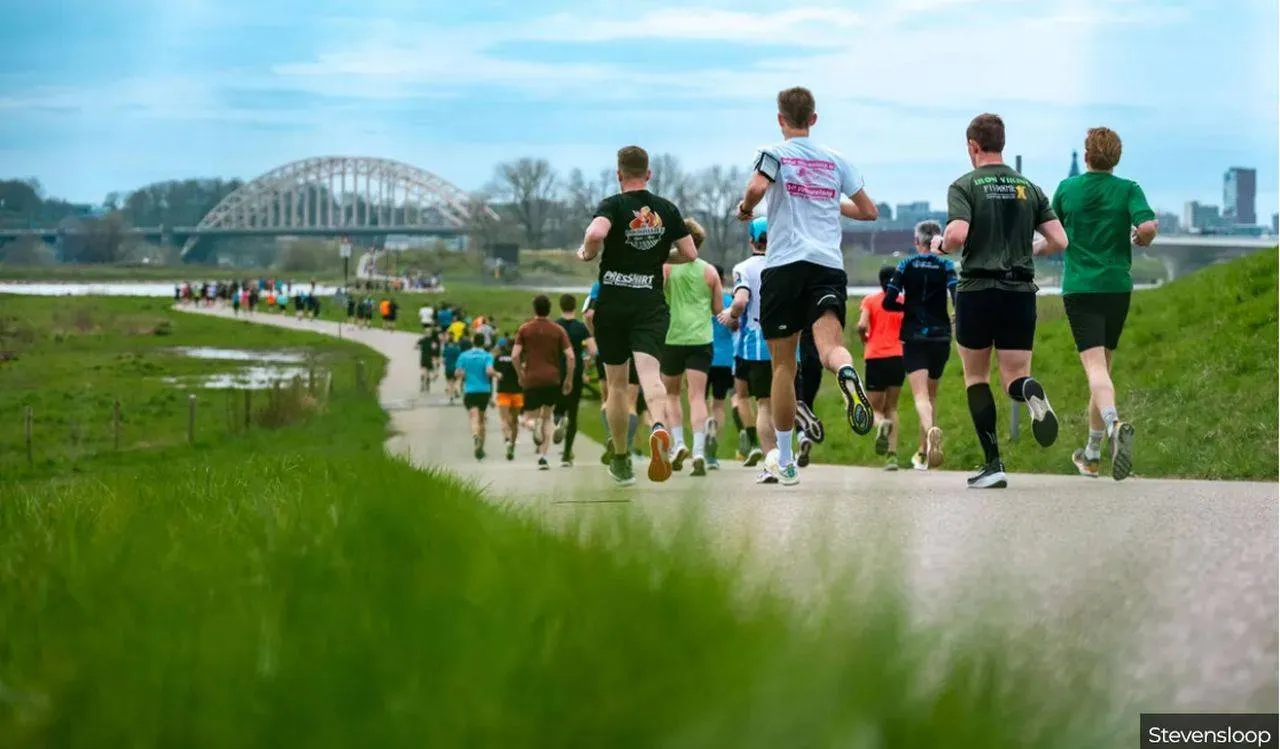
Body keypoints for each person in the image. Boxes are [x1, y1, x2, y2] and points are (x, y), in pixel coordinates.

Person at [734, 86, 880, 486]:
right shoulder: (836, 160)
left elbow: (756, 189)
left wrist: (746, 210)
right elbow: (869, 211)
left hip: (784, 266)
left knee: (784, 365)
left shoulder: (774, 153)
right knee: (830, 347)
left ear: (781, 120)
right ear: (813, 119)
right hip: (827, 266)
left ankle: (784, 459)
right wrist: (830, 200)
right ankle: (848, 372)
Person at [936, 112, 1068, 489]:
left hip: (978, 291)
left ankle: (993, 464)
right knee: (1015, 376)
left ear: (973, 147)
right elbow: (1060, 241)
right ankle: (1028, 393)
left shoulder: (964, 185)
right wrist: (1034, 249)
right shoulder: (1029, 187)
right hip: (1020, 292)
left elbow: (958, 235)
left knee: (976, 377)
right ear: (1002, 144)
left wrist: (941, 244)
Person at [577, 145, 699, 486]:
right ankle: (659, 427)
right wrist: (659, 257)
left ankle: (620, 458)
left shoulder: (612, 206)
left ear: (619, 174)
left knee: (616, 385)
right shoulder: (666, 209)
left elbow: (596, 234)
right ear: (649, 173)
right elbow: (690, 253)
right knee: (650, 373)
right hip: (649, 302)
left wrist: (587, 252)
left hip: (613, 303)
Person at [1049, 127, 1154, 481]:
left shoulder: (1067, 189)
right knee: (1103, 372)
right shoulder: (1128, 189)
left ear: (1087, 154)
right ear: (1116, 157)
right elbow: (1149, 226)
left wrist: (1034, 249)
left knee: (1095, 369)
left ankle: (1113, 425)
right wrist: (1141, 236)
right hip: (1117, 287)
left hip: (1081, 288)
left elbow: (1052, 235)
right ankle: (1091, 454)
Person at [883, 220, 957, 471]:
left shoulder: (906, 264)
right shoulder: (946, 264)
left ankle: (930, 433)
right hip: (940, 336)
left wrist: (908, 307)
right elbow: (957, 295)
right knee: (933, 394)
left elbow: (888, 302)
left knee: (920, 395)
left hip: (914, 336)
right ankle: (923, 452)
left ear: (917, 242)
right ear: (938, 241)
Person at [660, 218, 724, 477]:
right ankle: (698, 451)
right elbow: (718, 309)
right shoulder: (709, 271)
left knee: (671, 395)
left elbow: (655, 297)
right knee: (697, 396)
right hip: (701, 339)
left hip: (672, 337)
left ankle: (678, 444)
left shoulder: (665, 269)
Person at [718, 217, 777, 482]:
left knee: (759, 402)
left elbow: (741, 302)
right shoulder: (785, 265)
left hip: (756, 343)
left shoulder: (744, 268)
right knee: (781, 400)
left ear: (751, 240)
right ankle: (789, 449)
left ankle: (770, 459)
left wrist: (730, 313)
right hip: (788, 342)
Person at [512, 295, 575, 471]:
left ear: (534, 309)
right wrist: (568, 379)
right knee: (547, 417)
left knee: (527, 419)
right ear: (549, 309)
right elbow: (570, 356)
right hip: (552, 378)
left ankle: (534, 426)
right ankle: (543, 457)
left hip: (532, 378)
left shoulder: (525, 329)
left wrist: (520, 373)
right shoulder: (558, 329)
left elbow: (515, 355)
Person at [857, 267, 906, 470]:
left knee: (874, 409)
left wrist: (865, 340)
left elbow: (861, 325)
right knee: (892, 408)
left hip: (876, 356)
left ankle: (880, 425)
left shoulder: (870, 300)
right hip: (898, 356)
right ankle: (892, 456)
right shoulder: (903, 302)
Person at [552, 293, 596, 467]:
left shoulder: (555, 326)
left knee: (557, 405)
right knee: (573, 411)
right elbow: (592, 350)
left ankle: (557, 419)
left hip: (557, 371)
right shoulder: (580, 327)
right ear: (574, 307)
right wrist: (587, 364)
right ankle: (567, 454)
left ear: (561, 306)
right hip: (575, 371)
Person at [706, 263, 737, 470]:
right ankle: (712, 438)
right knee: (718, 404)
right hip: (725, 360)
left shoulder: (699, 301)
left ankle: (701, 445)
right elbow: (737, 327)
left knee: (697, 401)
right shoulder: (729, 302)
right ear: (723, 281)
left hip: (701, 357)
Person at [454, 336, 497, 460]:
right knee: (482, 420)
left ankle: (475, 435)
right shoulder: (487, 356)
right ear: (484, 343)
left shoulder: (464, 355)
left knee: (474, 417)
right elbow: (489, 371)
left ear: (473, 342)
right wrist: (497, 374)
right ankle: (481, 448)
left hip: (470, 390)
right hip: (484, 391)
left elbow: (458, 373)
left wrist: (464, 375)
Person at [493, 342, 524, 461]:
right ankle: (512, 443)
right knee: (514, 421)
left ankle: (507, 439)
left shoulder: (499, 357)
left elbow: (495, 373)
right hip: (517, 392)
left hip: (503, 391)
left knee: (505, 419)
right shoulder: (519, 357)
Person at [417, 328, 442, 393]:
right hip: (429, 357)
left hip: (423, 357)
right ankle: (427, 386)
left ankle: (422, 385)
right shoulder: (432, 341)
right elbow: (435, 348)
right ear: (430, 334)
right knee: (427, 372)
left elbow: (416, 346)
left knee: (423, 371)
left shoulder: (422, 340)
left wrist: (420, 347)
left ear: (425, 333)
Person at [442, 334, 462, 404]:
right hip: (456, 368)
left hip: (448, 368)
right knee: (459, 379)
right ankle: (456, 387)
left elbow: (443, 360)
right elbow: (460, 359)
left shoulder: (446, 349)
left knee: (450, 383)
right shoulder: (458, 349)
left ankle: (451, 398)